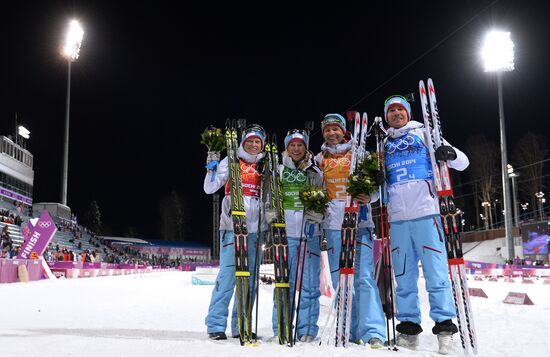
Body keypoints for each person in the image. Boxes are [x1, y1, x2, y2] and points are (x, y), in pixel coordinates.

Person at [381, 95, 469, 354]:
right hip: (397, 218)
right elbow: (375, 193)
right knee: (403, 277)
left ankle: (445, 329)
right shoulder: (383, 143)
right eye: (391, 111)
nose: (396, 113)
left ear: (407, 112)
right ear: (387, 116)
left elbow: (462, 163)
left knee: (436, 274)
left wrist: (448, 153)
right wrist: (373, 181)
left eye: (400, 109)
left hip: (426, 213)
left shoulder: (425, 133)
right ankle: (408, 329)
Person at [315, 114, 386, 348]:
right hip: (333, 227)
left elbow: (375, 189)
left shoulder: (360, 154)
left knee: (364, 278)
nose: (331, 133)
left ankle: (373, 330)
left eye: (336, 129)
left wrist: (370, 196)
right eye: (327, 130)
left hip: (359, 225)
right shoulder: (318, 159)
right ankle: (348, 327)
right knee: (340, 280)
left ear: (344, 131)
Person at [203, 124, 266, 341]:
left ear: (262, 144)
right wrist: (211, 169)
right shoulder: (231, 161)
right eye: (250, 140)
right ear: (243, 142)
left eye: (258, 141)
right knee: (228, 278)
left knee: (249, 282)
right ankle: (215, 324)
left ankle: (242, 325)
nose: (254, 144)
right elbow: (209, 188)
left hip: (256, 231)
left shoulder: (266, 166)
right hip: (232, 227)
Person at [268, 129, 323, 342]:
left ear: (306, 147)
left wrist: (316, 216)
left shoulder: (315, 171)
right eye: (293, 145)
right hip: (286, 235)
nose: (297, 148)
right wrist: (272, 221)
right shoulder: (279, 171)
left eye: (300, 145)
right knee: (284, 283)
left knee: (310, 284)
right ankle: (281, 327)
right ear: (287, 147)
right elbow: (269, 198)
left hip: (309, 234)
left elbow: (322, 199)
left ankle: (307, 329)